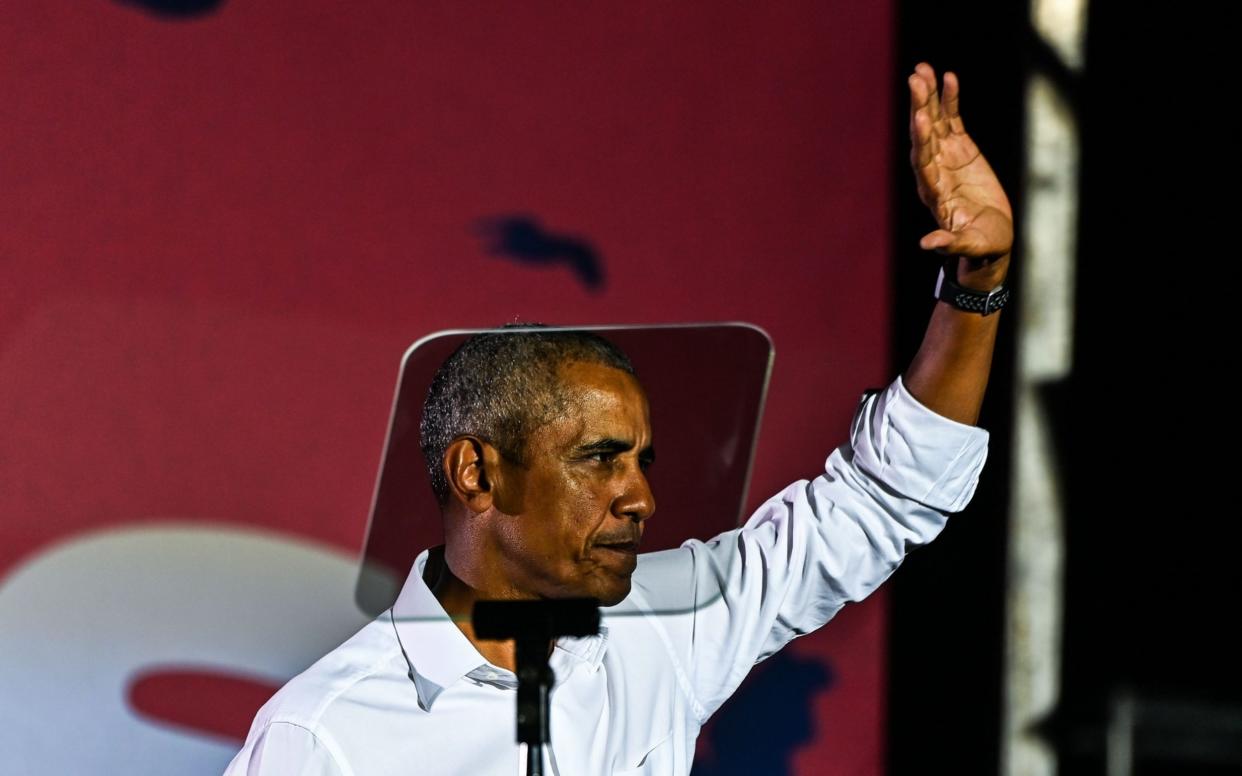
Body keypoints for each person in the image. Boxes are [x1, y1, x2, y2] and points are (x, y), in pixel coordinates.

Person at [224, 61, 1012, 775]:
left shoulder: (661, 630)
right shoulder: (324, 736)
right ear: (479, 473)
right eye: (601, 458)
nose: (641, 499)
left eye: (643, 461)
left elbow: (879, 498)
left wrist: (978, 283)